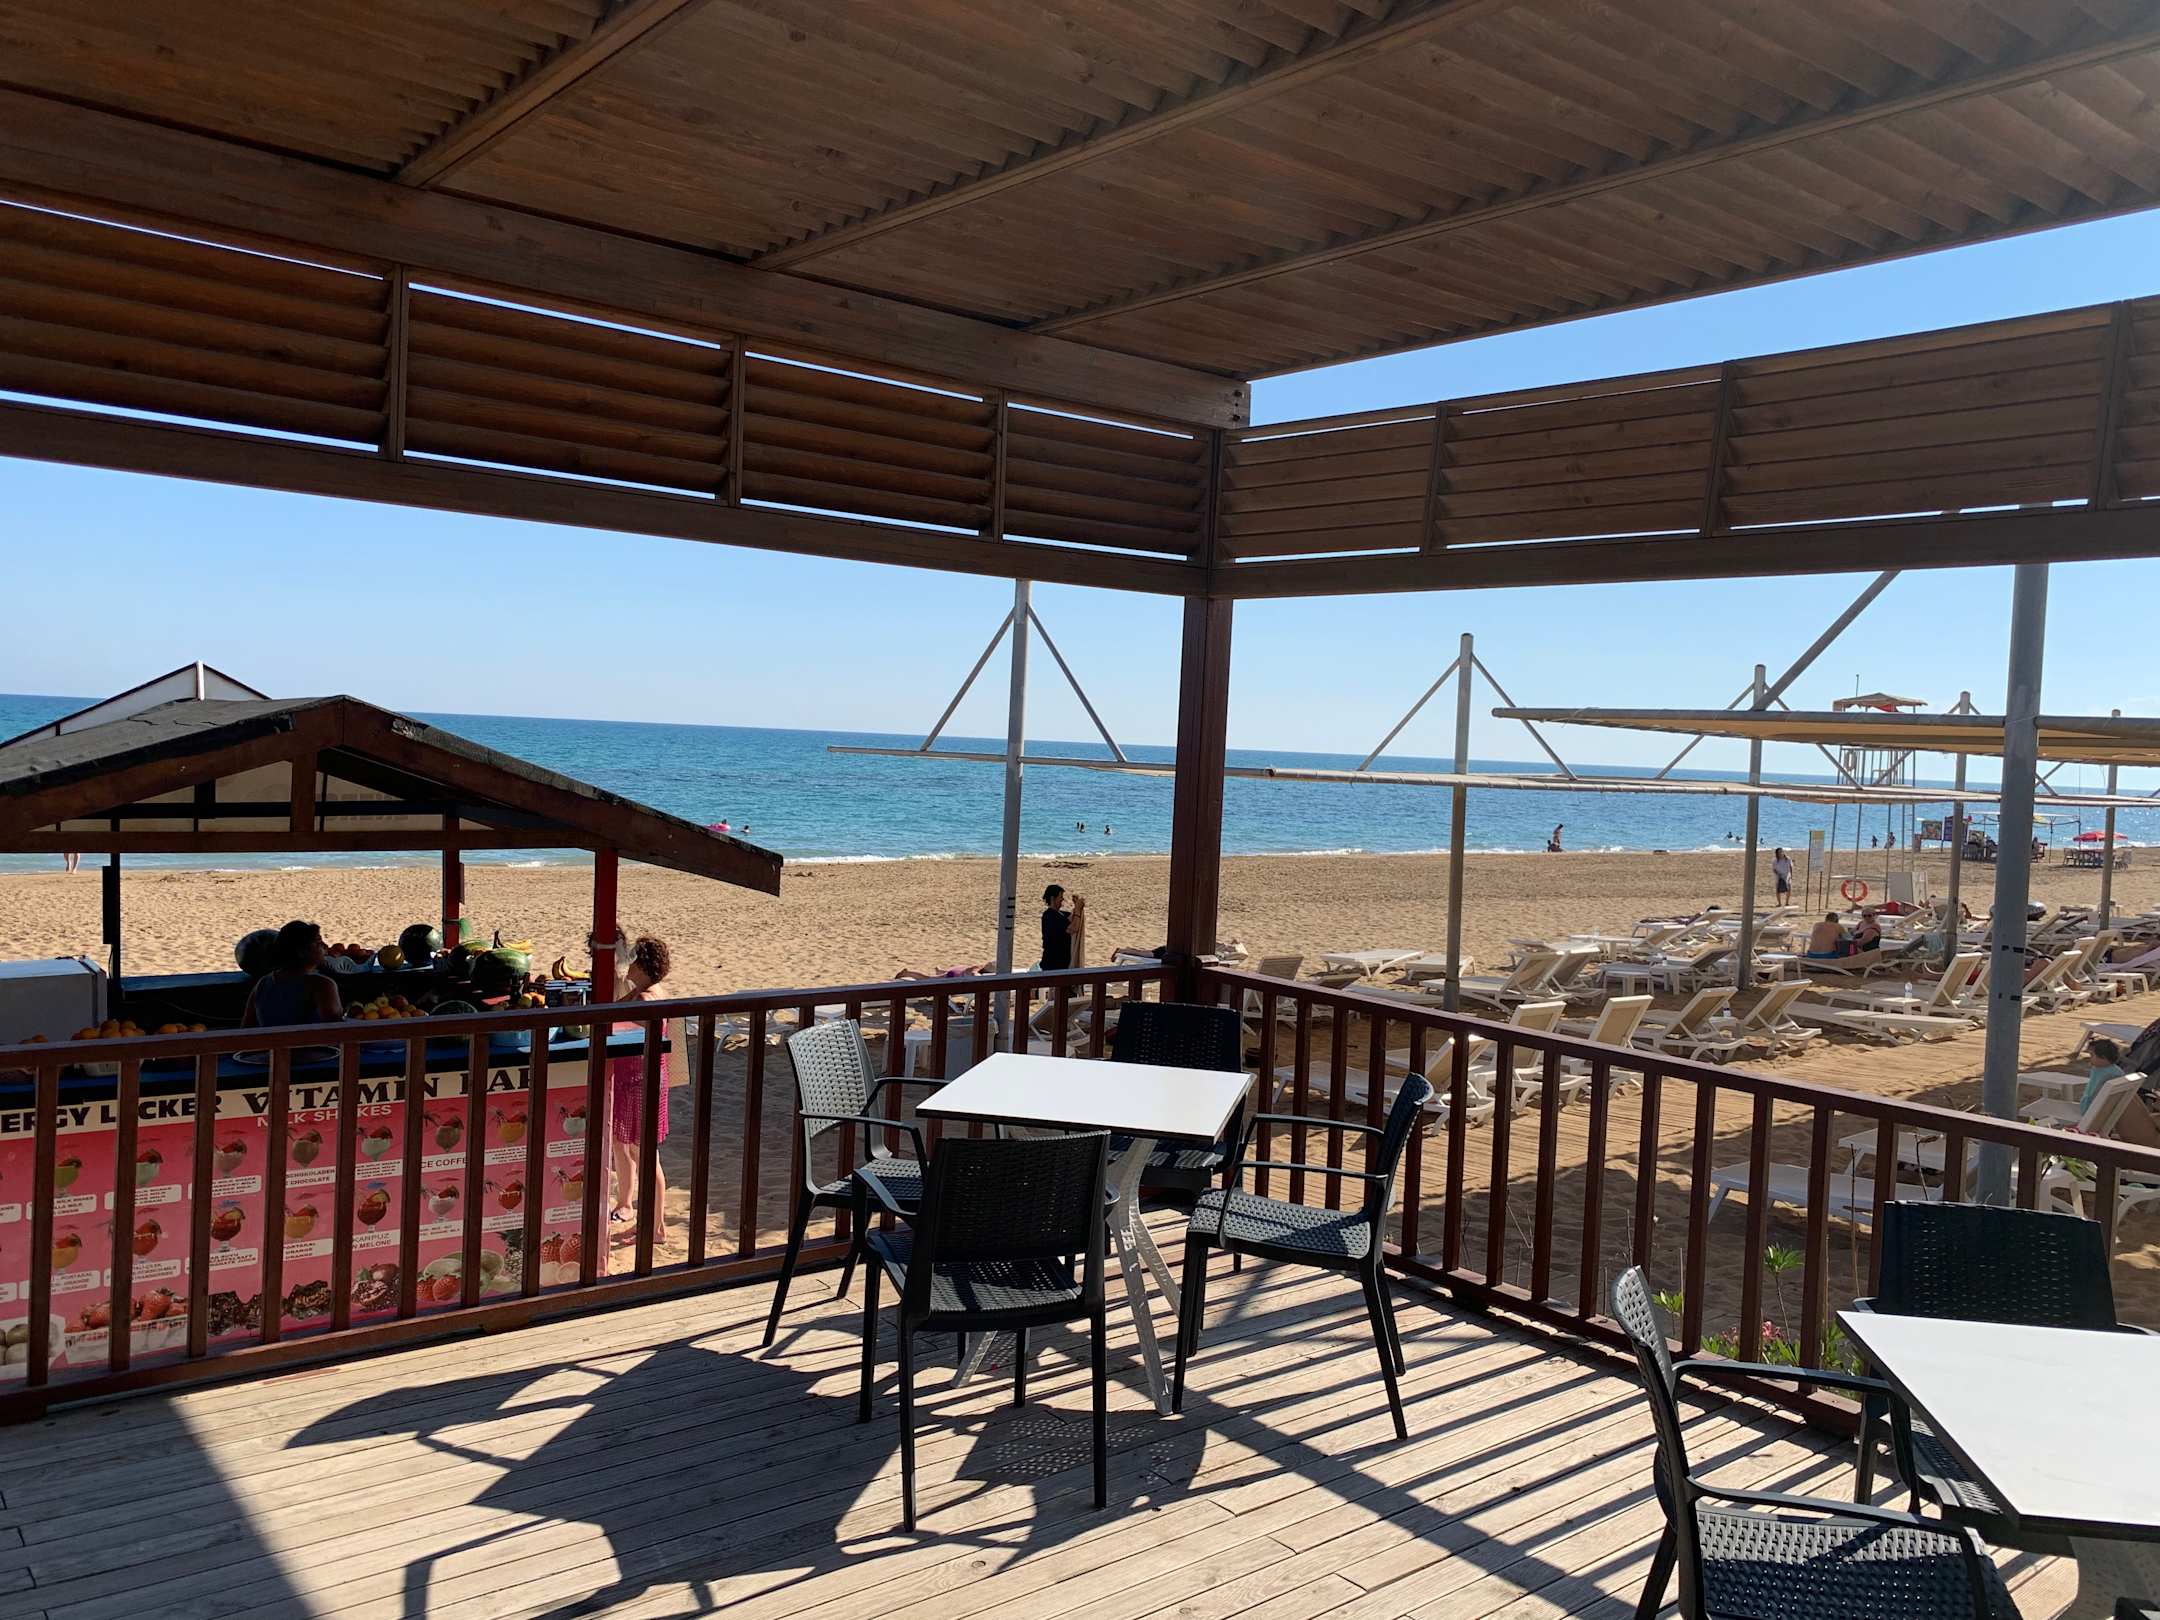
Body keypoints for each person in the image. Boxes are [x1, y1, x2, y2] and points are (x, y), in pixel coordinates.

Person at [606, 934, 673, 1246]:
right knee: (636, 1150)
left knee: (645, 1155)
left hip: (641, 1082)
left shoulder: (646, 999)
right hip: (637, 1079)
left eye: (632, 959)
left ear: (643, 965)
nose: (628, 965)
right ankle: (649, 1221)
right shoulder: (642, 993)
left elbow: (614, 1016)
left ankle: (656, 1228)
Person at [243, 920, 344, 1026]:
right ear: (302, 951)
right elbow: (336, 1029)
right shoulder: (322, 985)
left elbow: (246, 1029)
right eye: (318, 943)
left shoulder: (263, 984)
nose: (325, 946)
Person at [1040, 884, 1083, 970]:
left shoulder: (1061, 914)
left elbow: (1073, 918)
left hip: (1063, 964)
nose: (1062, 899)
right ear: (1052, 898)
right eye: (1060, 897)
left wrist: (1076, 906)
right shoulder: (1049, 916)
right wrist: (1078, 909)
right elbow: (1073, 928)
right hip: (1052, 965)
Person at [2081, 1037, 2128, 1115]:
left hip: (2093, 1110)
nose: (2090, 1058)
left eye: (2092, 1055)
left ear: (2103, 1057)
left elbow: (2095, 1093)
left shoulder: (2111, 1074)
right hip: (2098, 1109)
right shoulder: (2112, 1070)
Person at [896, 960, 995, 981]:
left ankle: (940, 971)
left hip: (960, 970)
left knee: (944, 974)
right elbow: (974, 974)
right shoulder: (978, 969)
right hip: (956, 974)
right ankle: (907, 973)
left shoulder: (981, 967)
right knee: (928, 979)